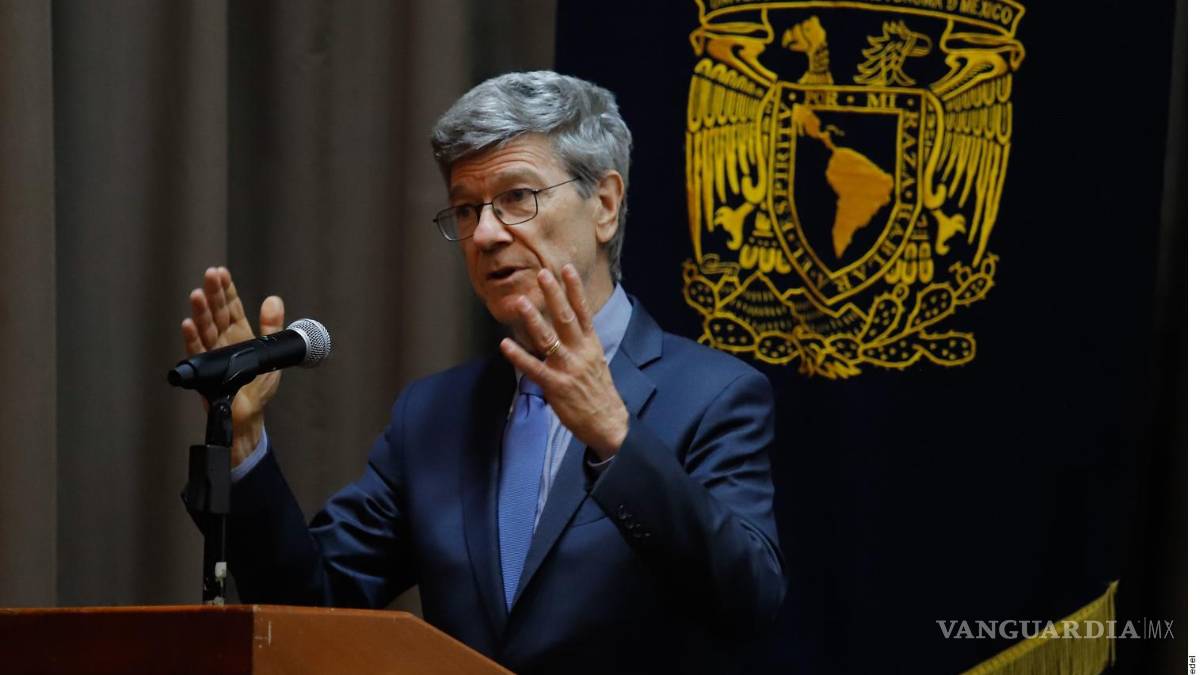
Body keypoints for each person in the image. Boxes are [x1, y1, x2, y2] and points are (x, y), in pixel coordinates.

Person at [180, 71, 785, 674]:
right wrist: (244, 444)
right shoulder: (432, 417)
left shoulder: (714, 396)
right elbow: (311, 608)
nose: (485, 234)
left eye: (517, 197)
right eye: (466, 209)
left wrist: (615, 439)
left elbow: (748, 602)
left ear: (604, 204)